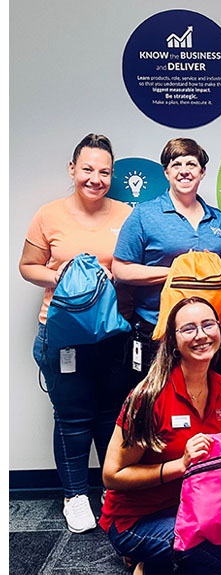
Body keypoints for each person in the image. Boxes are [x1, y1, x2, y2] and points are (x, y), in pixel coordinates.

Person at [19, 133, 133, 533]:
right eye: (87, 169)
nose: (95, 178)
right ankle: (75, 496)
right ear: (73, 170)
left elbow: (132, 267)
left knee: (110, 416)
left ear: (112, 175)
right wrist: (60, 275)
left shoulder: (125, 214)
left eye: (103, 171)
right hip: (61, 334)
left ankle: (109, 489)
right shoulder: (49, 214)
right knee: (72, 417)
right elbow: (28, 265)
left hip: (112, 334)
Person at [100, 296, 221, 575]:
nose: (201, 335)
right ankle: (148, 563)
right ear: (173, 341)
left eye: (208, 325)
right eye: (189, 328)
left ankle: (161, 561)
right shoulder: (149, 397)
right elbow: (112, 475)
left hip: (190, 509)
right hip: (135, 520)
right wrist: (180, 466)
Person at [112, 138, 221, 378]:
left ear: (202, 172)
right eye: (176, 164)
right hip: (158, 331)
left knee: (207, 403)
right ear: (166, 172)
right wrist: (180, 272)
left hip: (209, 332)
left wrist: (214, 267)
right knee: (156, 406)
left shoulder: (216, 218)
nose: (184, 170)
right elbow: (121, 269)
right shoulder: (144, 214)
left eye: (191, 164)